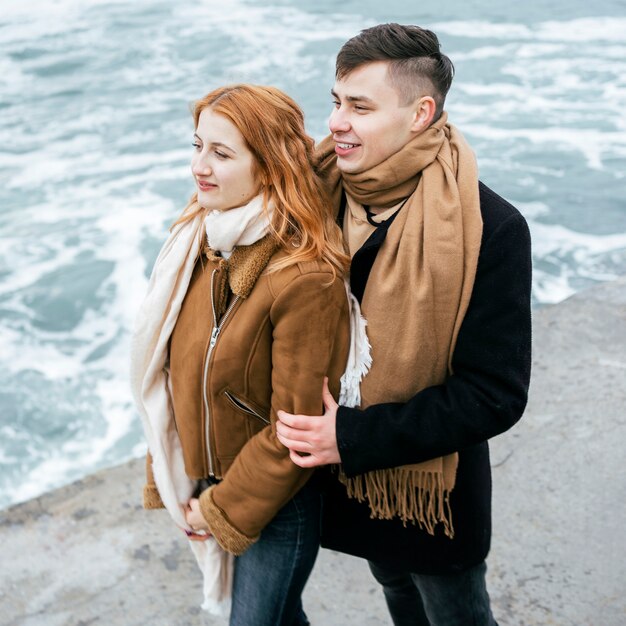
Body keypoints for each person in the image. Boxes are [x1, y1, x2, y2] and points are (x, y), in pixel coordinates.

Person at [275, 23, 532, 625]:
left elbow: (494, 395)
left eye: (360, 107)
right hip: (342, 485)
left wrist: (353, 437)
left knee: (454, 613)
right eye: (337, 101)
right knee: (394, 589)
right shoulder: (315, 194)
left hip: (429, 499)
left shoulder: (490, 229)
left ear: (421, 113)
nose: (336, 121)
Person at [131, 84, 351, 626]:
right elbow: (180, 374)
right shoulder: (202, 244)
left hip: (277, 503)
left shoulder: (303, 277)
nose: (199, 167)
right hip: (210, 477)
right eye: (197, 145)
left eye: (222, 154)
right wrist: (175, 466)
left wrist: (217, 508)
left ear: (270, 165)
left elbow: (294, 429)